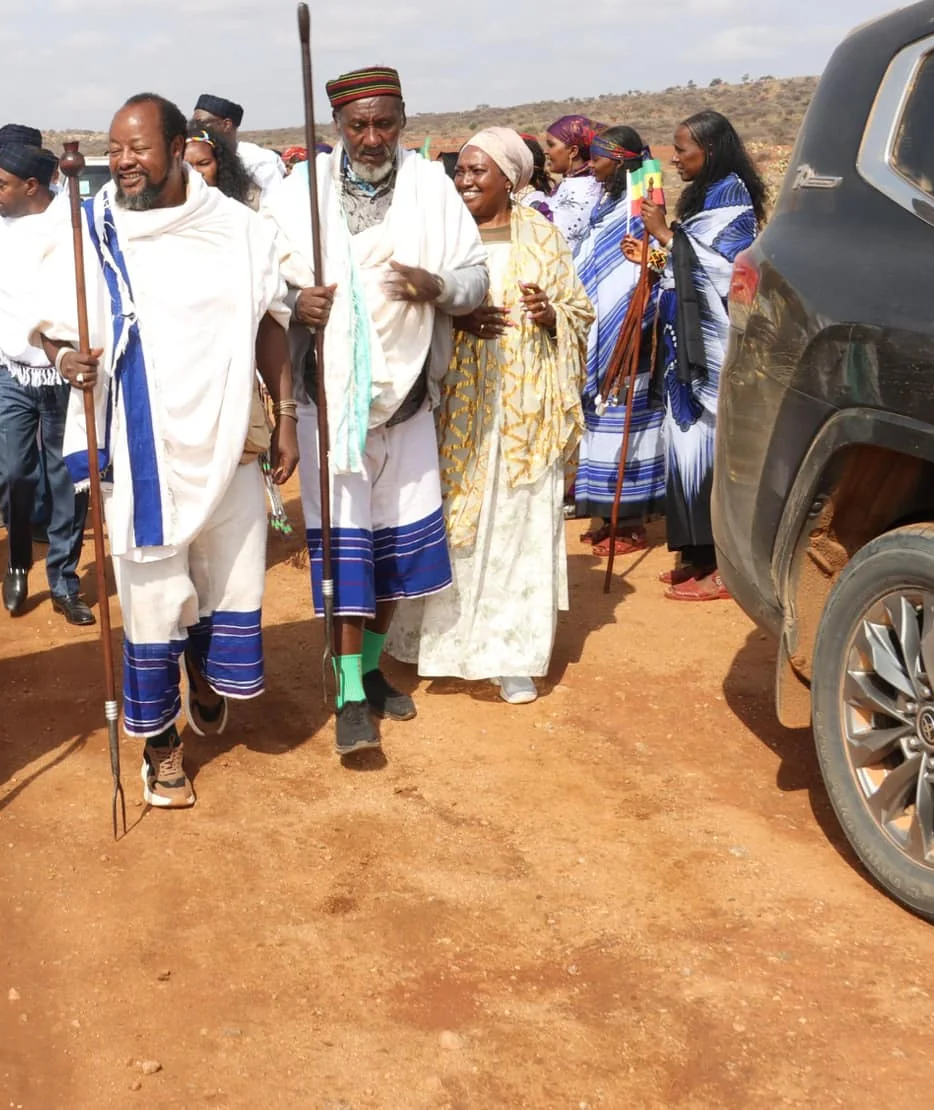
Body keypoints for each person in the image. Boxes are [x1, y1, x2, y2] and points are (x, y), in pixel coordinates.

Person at [34, 93, 297, 809]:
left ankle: (208, 677)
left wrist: (288, 416)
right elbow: (52, 324)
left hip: (230, 437)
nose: (122, 162)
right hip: (138, 443)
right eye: (114, 149)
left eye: (138, 148)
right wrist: (65, 359)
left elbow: (271, 323)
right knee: (150, 596)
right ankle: (162, 744)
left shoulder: (239, 230)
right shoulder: (94, 230)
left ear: (180, 147)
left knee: (230, 580)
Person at [263, 66, 489, 756]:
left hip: (410, 399)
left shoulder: (429, 190)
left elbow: (476, 279)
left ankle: (367, 665)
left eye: (384, 123)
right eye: (358, 125)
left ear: (401, 120)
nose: (371, 137)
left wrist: (438, 285)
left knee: (392, 549)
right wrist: (291, 300)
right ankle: (348, 695)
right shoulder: (295, 196)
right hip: (327, 403)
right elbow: (259, 278)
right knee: (346, 550)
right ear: (337, 127)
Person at [387, 128, 593, 704]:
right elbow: (403, 307)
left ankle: (512, 654)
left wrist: (550, 313)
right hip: (456, 406)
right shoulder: (445, 238)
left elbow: (580, 309)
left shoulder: (544, 236)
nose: (467, 179)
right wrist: (457, 322)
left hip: (526, 410)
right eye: (463, 170)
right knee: (450, 520)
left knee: (518, 524)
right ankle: (440, 645)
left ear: (512, 178)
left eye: (480, 170)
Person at [0, 142, 92, 624]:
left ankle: (64, 578)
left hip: (66, 369)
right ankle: (17, 562)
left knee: (67, 478)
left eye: (1, 185)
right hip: (9, 365)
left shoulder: (75, 225)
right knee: (11, 471)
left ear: (31, 186)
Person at [644, 110, 764, 601]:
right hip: (682, 347)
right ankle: (694, 554)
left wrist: (666, 237)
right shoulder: (704, 197)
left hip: (711, 352)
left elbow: (724, 269)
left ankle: (724, 566)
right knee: (685, 450)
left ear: (709, 151)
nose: (674, 159)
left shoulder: (732, 199)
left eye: (683, 149)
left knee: (708, 454)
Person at [571, 125, 667, 555]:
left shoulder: (644, 204)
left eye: (600, 157)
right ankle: (603, 514)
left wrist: (649, 265)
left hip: (632, 331)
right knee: (598, 423)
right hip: (598, 327)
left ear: (624, 160)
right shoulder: (606, 203)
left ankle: (628, 522)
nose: (592, 165)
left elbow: (659, 259)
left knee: (628, 423)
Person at [191, 93, 287, 192]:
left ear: (226, 125)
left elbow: (275, 201)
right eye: (193, 123)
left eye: (200, 123)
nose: (195, 128)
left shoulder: (256, 160)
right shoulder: (206, 157)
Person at [542, 115, 603, 250]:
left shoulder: (584, 189)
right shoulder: (573, 183)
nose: (546, 151)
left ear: (573, 151)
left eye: (551, 145)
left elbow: (553, 234)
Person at [182, 122, 260, 207]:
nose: (196, 172)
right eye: (187, 166)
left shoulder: (250, 202)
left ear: (220, 163)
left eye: (204, 164)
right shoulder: (169, 211)